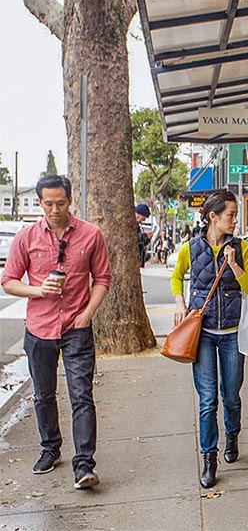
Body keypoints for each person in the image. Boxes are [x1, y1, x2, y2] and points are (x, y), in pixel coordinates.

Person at [0, 175, 111, 490]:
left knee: (81, 395)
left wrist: (88, 314)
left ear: (70, 200)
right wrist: (37, 290)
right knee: (44, 395)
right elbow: (8, 280)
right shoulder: (26, 237)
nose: (54, 209)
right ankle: (50, 448)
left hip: (77, 325)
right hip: (39, 328)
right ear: (39, 202)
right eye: (48, 203)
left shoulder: (91, 235)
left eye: (60, 203)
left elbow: (102, 278)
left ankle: (84, 465)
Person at [171, 191, 248, 489]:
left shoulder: (242, 248)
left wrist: (234, 265)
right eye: (231, 214)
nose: (235, 220)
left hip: (233, 334)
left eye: (235, 215)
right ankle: (209, 457)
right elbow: (176, 276)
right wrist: (179, 301)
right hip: (204, 335)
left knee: (231, 395)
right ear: (213, 217)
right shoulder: (191, 248)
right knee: (207, 399)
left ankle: (232, 434)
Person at [135, 203, 153, 268]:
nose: (143, 220)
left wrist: (147, 239)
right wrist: (144, 236)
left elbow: (140, 244)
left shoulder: (138, 227)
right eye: (143, 218)